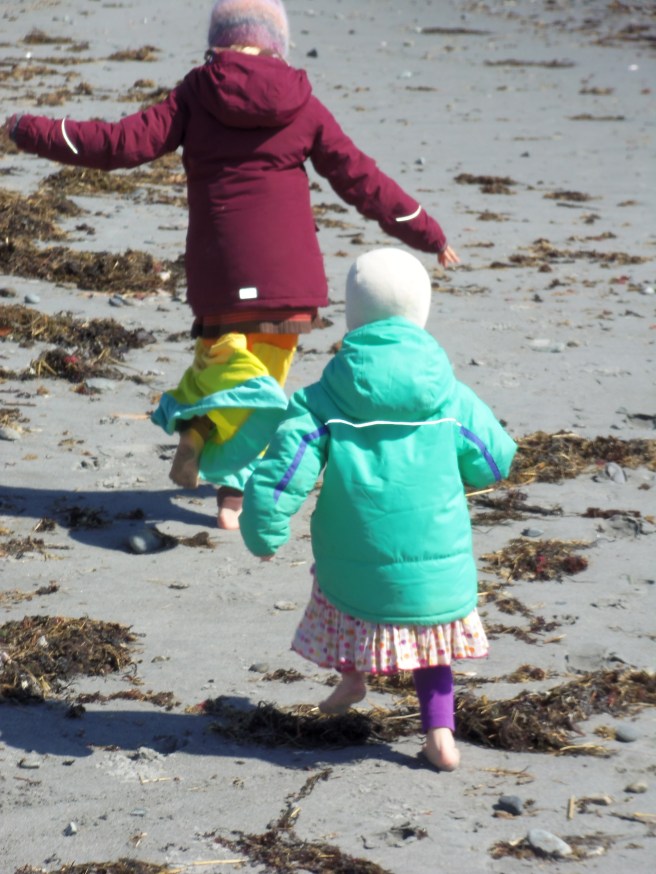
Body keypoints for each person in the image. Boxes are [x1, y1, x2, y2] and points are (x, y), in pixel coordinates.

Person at [4, 0, 459, 530]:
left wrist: (27, 128)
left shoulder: (196, 94)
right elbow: (362, 180)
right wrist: (426, 230)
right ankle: (231, 499)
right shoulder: (303, 104)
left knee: (224, 368)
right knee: (261, 384)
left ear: (219, 40)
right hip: (288, 284)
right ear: (276, 44)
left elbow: (117, 144)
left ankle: (196, 422)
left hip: (221, 276)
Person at [240, 248, 516, 771]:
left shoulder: (325, 399)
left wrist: (264, 532)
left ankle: (352, 678)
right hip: (438, 565)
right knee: (433, 645)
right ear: (422, 313)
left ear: (352, 315)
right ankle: (441, 736)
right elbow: (493, 460)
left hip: (353, 558)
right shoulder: (449, 397)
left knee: (339, 597)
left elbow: (283, 472)